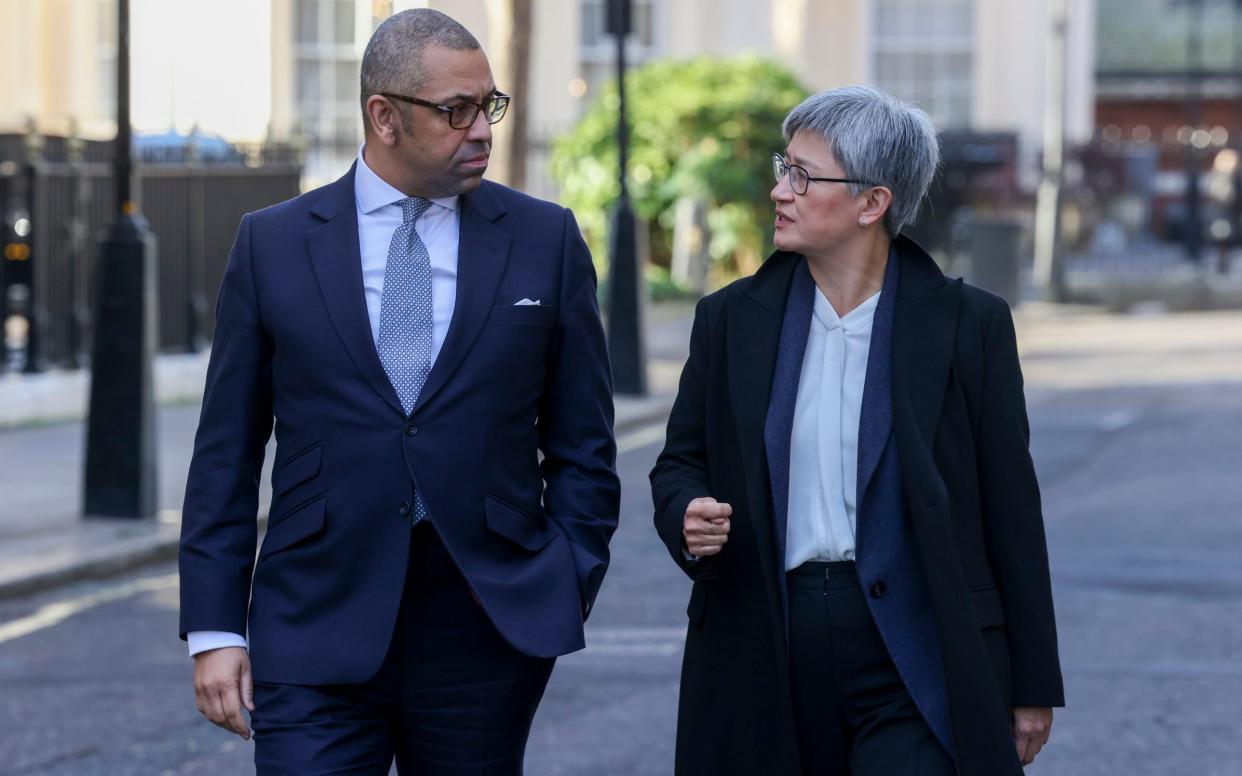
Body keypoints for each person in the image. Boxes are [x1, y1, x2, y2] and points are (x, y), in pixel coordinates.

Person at [178, 9, 619, 774]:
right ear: (383, 116)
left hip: (483, 624)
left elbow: (585, 444)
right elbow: (226, 453)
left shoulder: (545, 239)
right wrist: (216, 630)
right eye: (456, 111)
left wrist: (566, 576)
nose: (481, 129)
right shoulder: (272, 243)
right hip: (314, 617)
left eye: (490, 105)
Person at [650, 85, 1064, 776]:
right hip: (764, 644)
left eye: (803, 177)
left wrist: (1031, 685)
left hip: (915, 652)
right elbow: (679, 462)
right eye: (785, 168)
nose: (780, 191)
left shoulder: (968, 326)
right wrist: (685, 512)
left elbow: (1012, 512)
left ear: (873, 203)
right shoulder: (731, 319)